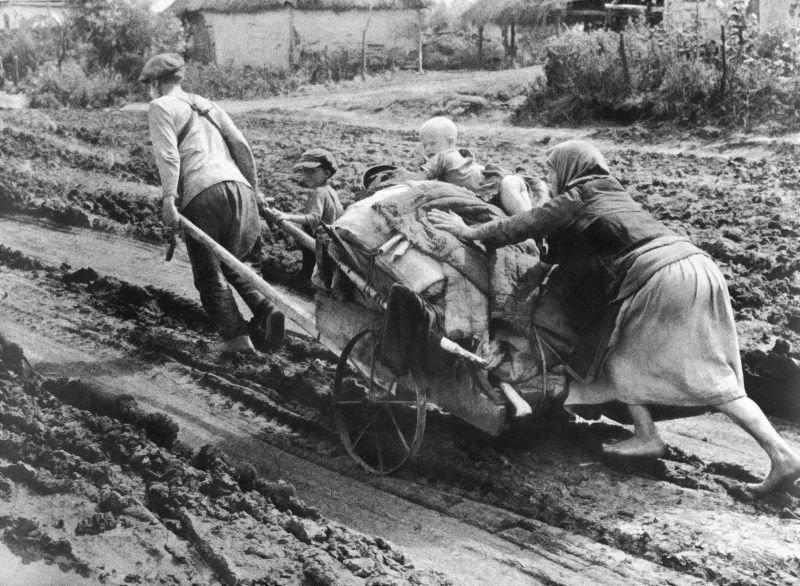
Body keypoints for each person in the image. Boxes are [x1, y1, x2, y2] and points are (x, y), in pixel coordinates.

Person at [428, 140, 800, 494]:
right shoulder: (611, 190)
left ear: (569, 169)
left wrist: (469, 231)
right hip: (695, 265)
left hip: (661, 277)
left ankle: (781, 455)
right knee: (620, 353)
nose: (552, 176)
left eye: (554, 169)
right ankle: (648, 435)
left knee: (708, 379)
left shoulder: (578, 195)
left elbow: (522, 226)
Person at [141, 52, 284, 355]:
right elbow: (242, 147)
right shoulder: (207, 104)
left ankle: (236, 342)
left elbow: (168, 156)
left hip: (202, 193)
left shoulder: (160, 106)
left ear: (155, 82)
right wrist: (255, 191)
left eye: (148, 85)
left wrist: (168, 199)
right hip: (240, 188)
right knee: (239, 262)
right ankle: (267, 309)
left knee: (208, 274)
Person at [418, 116, 548, 215]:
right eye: (424, 145)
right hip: (509, 180)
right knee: (529, 216)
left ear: (450, 141)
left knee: (525, 221)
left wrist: (399, 174)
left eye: (432, 143)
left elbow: (421, 177)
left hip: (501, 184)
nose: (427, 149)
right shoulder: (459, 156)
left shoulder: (442, 156)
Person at [274, 149, 343, 282]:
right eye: (304, 171)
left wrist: (287, 216)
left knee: (310, 260)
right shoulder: (331, 191)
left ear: (326, 173)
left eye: (312, 171)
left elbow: (314, 217)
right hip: (332, 239)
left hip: (321, 240)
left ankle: (305, 281)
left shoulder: (319, 192)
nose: (307, 175)